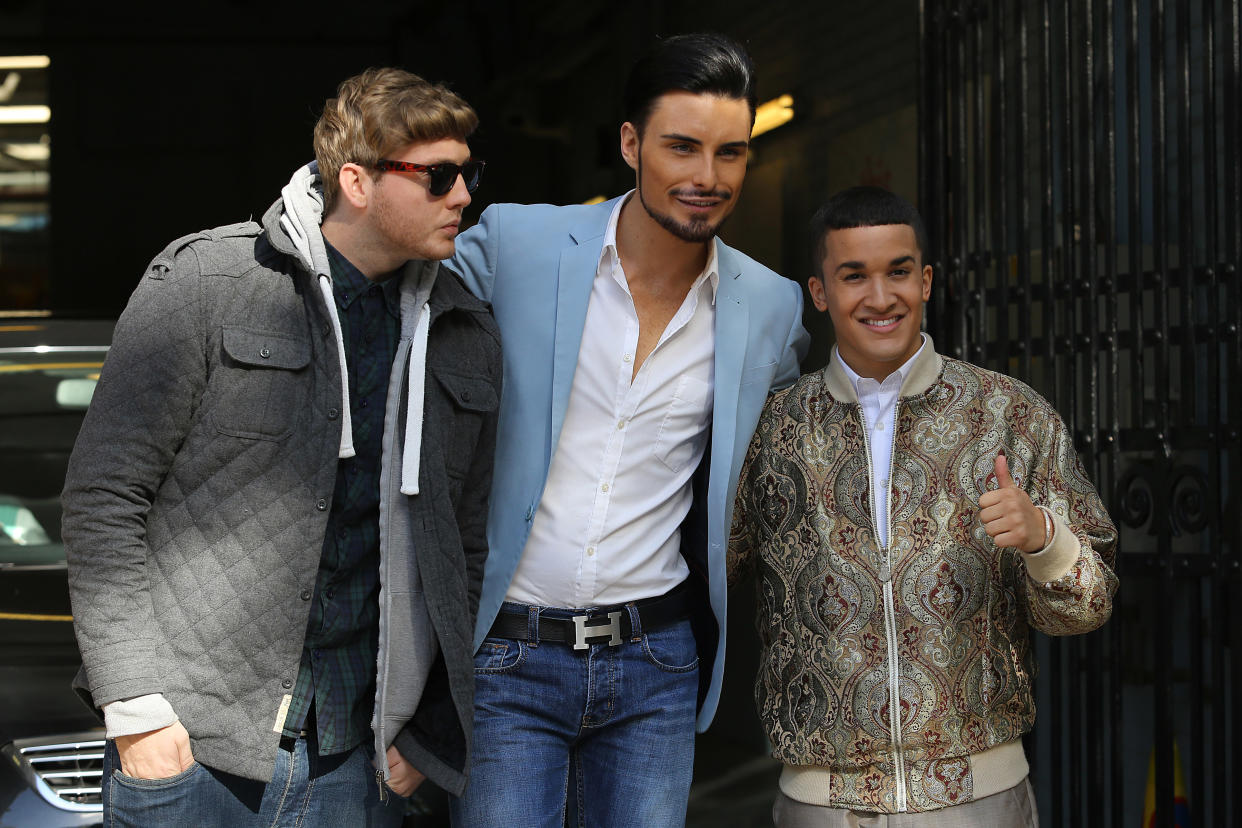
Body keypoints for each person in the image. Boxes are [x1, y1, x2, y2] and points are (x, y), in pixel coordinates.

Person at [61, 67, 501, 827]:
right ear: (356, 182)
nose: (462, 195)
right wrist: (135, 707)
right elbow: (105, 496)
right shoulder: (208, 281)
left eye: (467, 173)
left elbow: (460, 547)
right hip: (193, 748)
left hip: (355, 759)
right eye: (438, 176)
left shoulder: (462, 333)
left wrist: (426, 728)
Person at [445, 32, 810, 827]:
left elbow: (793, 444)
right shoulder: (516, 245)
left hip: (656, 661)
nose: (707, 178)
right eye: (682, 148)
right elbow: (394, 314)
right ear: (630, 144)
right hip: (508, 655)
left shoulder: (773, 306)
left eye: (731, 154)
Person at [728, 186, 1118, 827]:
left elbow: (1090, 604)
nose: (880, 298)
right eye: (854, 276)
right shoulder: (773, 431)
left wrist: (1045, 539)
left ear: (927, 279)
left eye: (898, 272)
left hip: (980, 799)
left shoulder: (1008, 416)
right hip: (823, 806)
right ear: (820, 292)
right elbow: (705, 577)